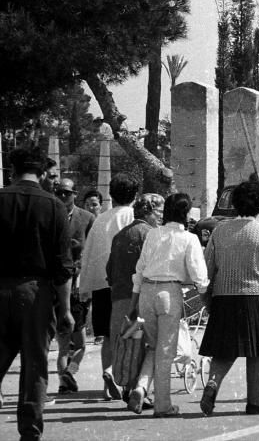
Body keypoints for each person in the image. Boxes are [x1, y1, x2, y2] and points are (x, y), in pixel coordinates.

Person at [0, 147, 74, 440]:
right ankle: (29, 432)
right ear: (43, 173)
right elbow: (63, 266)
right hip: (35, 293)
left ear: (12, 171)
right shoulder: (54, 206)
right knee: (34, 365)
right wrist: (65, 308)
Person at [199, 181, 259, 416]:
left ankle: (213, 383)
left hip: (224, 297)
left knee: (223, 350)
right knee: (256, 351)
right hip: (256, 297)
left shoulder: (220, 231)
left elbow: (207, 270)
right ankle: (254, 400)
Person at [127, 193, 208, 417]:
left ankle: (141, 386)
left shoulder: (153, 234)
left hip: (145, 292)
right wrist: (206, 297)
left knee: (153, 347)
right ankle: (163, 405)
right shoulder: (189, 239)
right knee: (166, 351)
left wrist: (133, 303)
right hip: (169, 293)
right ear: (187, 213)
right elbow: (199, 276)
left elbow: (139, 270)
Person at [78, 172, 138, 400]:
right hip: (127, 286)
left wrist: (85, 286)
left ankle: (108, 381)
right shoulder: (134, 217)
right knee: (132, 333)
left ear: (110, 195)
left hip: (102, 285)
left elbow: (89, 254)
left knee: (108, 336)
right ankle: (128, 383)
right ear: (135, 195)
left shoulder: (100, 219)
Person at [105, 194, 160, 409]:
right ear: (148, 211)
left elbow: (109, 269)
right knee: (145, 344)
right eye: (158, 211)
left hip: (119, 295)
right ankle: (139, 390)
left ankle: (121, 381)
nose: (160, 216)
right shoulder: (150, 234)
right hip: (141, 295)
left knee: (127, 342)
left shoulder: (120, 235)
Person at [53, 178, 95, 395]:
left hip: (77, 285)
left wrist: (84, 282)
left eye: (66, 193)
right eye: (58, 193)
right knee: (64, 341)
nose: (62, 197)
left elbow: (90, 253)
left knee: (78, 340)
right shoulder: (49, 215)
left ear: (74, 194)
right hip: (55, 286)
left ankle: (67, 374)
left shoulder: (87, 218)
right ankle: (65, 378)